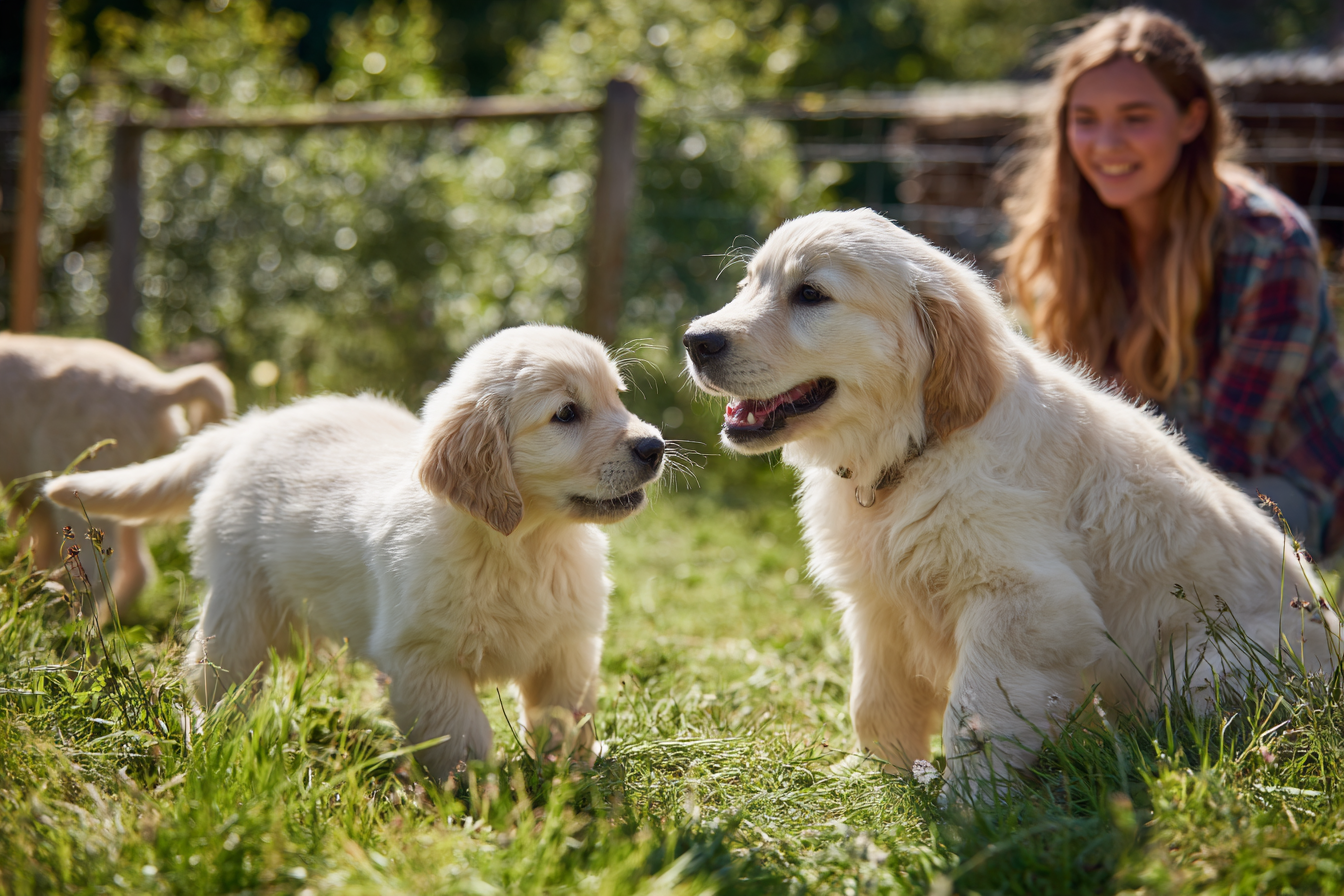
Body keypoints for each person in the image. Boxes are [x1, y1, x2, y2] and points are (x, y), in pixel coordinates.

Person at [1001, 6, 1344, 558]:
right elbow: (1062, 412)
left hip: (1279, 486)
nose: (1106, 143)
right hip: (1137, 475)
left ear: (1191, 120)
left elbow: (1222, 454)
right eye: (1085, 118)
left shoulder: (1271, 244)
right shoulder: (1068, 236)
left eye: (1136, 117)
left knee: (1110, 548)